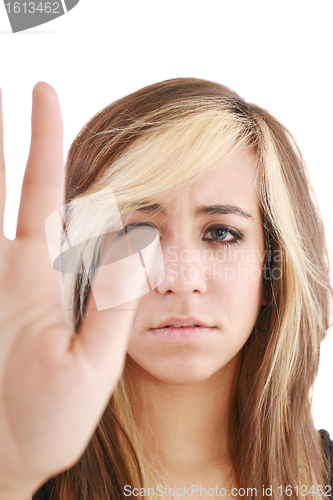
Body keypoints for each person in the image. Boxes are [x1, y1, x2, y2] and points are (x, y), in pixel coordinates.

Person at [0, 78, 332, 500]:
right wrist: (9, 478)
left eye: (222, 233)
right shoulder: (18, 471)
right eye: (136, 232)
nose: (179, 279)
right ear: (86, 265)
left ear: (272, 272)